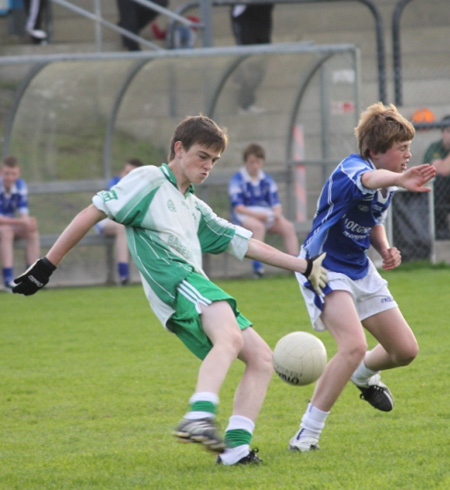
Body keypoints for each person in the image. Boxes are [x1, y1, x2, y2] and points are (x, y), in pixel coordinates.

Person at [12, 115, 327, 466]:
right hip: (177, 283)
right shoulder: (149, 180)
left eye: (214, 161)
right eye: (202, 156)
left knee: (261, 358)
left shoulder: (194, 207)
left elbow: (247, 243)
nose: (207, 166)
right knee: (231, 339)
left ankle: (235, 449)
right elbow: (94, 211)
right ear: (179, 149)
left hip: (192, 285)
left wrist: (305, 266)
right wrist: (47, 265)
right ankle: (198, 415)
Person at [288, 103, 436, 453]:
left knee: (404, 350)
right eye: (401, 149)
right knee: (353, 345)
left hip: (359, 267)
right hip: (323, 266)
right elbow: (369, 180)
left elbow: (372, 218)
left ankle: (362, 374)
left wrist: (385, 248)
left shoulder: (388, 181)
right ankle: (306, 434)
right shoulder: (352, 169)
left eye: (407, 148)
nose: (408, 155)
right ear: (375, 152)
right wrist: (399, 178)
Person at [228, 143, 299, 278]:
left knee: (288, 227)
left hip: (265, 215)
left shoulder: (266, 180)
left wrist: (277, 213)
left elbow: (275, 202)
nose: (255, 166)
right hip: (244, 216)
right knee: (258, 227)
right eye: (252, 162)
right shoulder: (237, 179)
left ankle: (295, 265)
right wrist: (256, 215)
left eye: (258, 162)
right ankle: (258, 268)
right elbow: (238, 207)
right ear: (246, 162)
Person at [95, 158, 144, 285]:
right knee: (122, 227)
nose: (125, 175)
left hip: (127, 223)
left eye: (130, 173)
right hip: (106, 220)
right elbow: (114, 209)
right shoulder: (115, 183)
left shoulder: (141, 188)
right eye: (125, 171)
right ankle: (123, 273)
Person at [0, 156, 40, 290]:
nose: (10, 177)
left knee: (31, 230)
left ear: (19, 173)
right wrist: (22, 221)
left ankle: (31, 277)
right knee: (5, 231)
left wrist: (27, 222)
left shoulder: (20, 185)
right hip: (4, 227)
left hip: (9, 225)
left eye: (13, 174)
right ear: (1, 172)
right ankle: (8, 279)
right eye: (7, 173)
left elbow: (23, 212)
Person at [230, 3, 274, 114]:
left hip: (263, 18)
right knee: (250, 63)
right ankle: (245, 103)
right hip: (245, 18)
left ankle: (247, 102)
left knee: (261, 63)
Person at [422, 115, 450, 239]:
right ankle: (441, 229)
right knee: (439, 181)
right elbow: (442, 170)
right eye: (449, 131)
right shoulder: (435, 148)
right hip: (441, 193)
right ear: (442, 133)